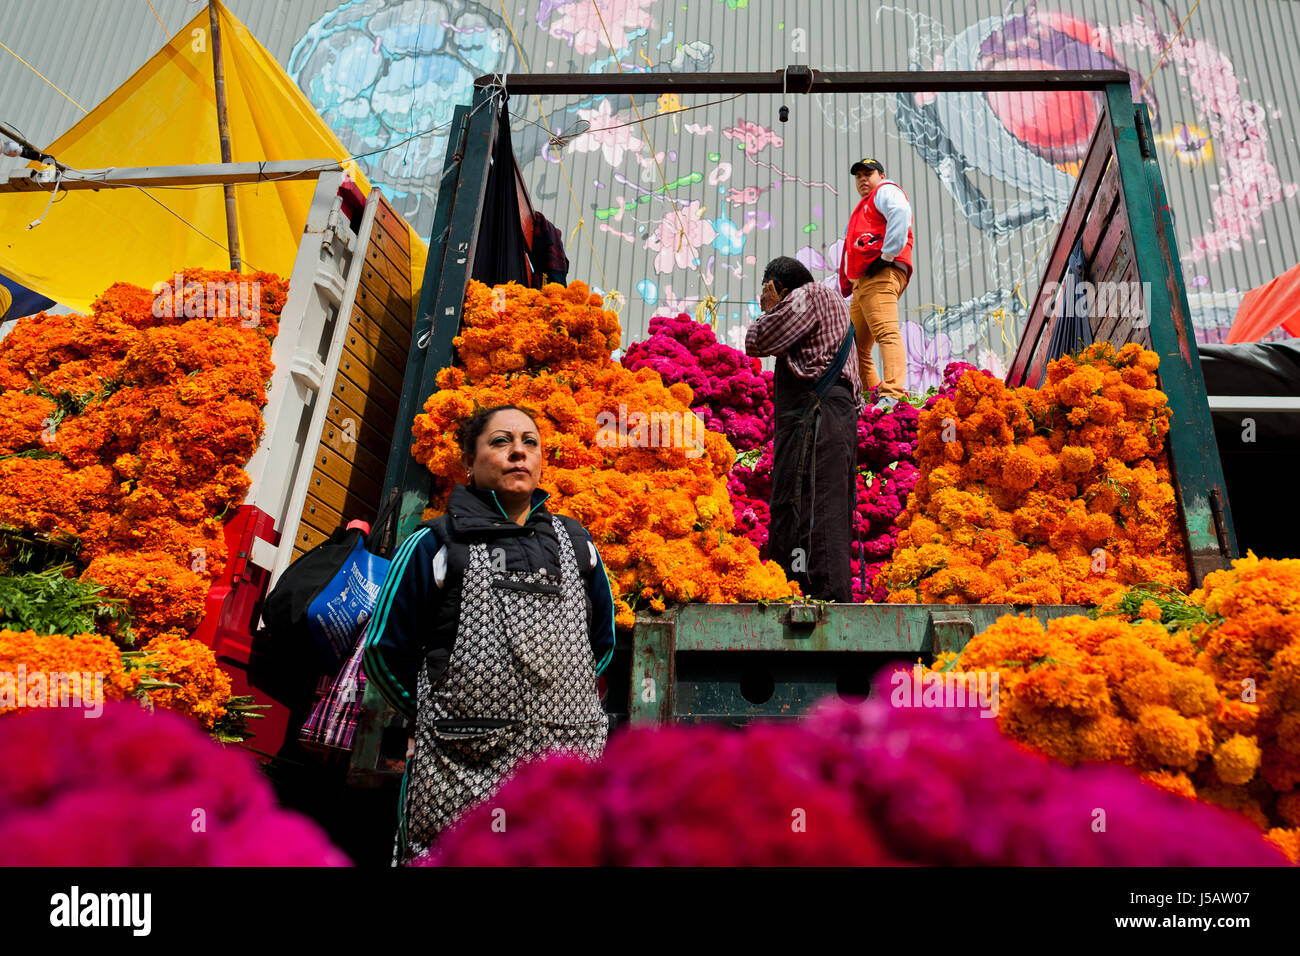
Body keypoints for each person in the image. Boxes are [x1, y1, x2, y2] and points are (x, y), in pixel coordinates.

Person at [363, 405, 616, 865]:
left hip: (563, 769)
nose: (518, 451)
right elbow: (384, 651)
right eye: (500, 442)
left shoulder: (579, 546)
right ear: (469, 460)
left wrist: (559, 705)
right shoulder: (434, 545)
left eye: (530, 443)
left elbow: (600, 643)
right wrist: (442, 717)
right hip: (461, 769)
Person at [747, 256, 861, 603]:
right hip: (832, 418)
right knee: (823, 506)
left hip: (817, 419)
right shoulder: (831, 304)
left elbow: (757, 341)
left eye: (767, 292)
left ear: (778, 287)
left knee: (809, 506)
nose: (766, 301)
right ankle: (815, 594)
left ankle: (815, 602)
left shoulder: (807, 295)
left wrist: (768, 309)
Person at [838, 158, 915, 405]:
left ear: (882, 175)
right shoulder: (867, 203)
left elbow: (901, 212)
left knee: (886, 332)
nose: (862, 179)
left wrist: (888, 254)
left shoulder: (885, 191)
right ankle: (872, 398)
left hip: (879, 274)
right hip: (865, 281)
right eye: (858, 175)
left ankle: (892, 394)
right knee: (853, 347)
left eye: (868, 173)